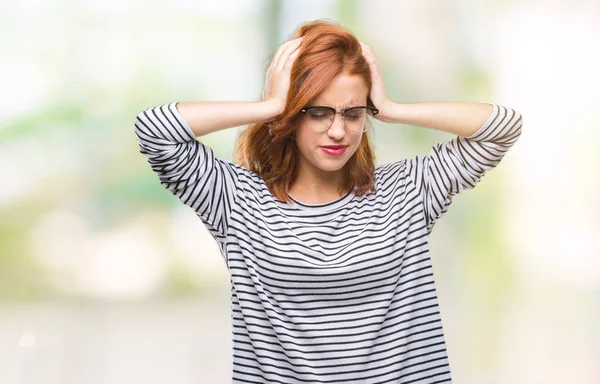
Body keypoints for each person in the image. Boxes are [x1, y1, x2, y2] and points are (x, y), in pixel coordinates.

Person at [135, 20, 522, 384]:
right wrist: (269, 106)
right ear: (292, 115)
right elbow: (154, 130)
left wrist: (390, 109)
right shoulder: (237, 200)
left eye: (352, 114)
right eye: (317, 113)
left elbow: (503, 128)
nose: (338, 131)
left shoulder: (408, 190)